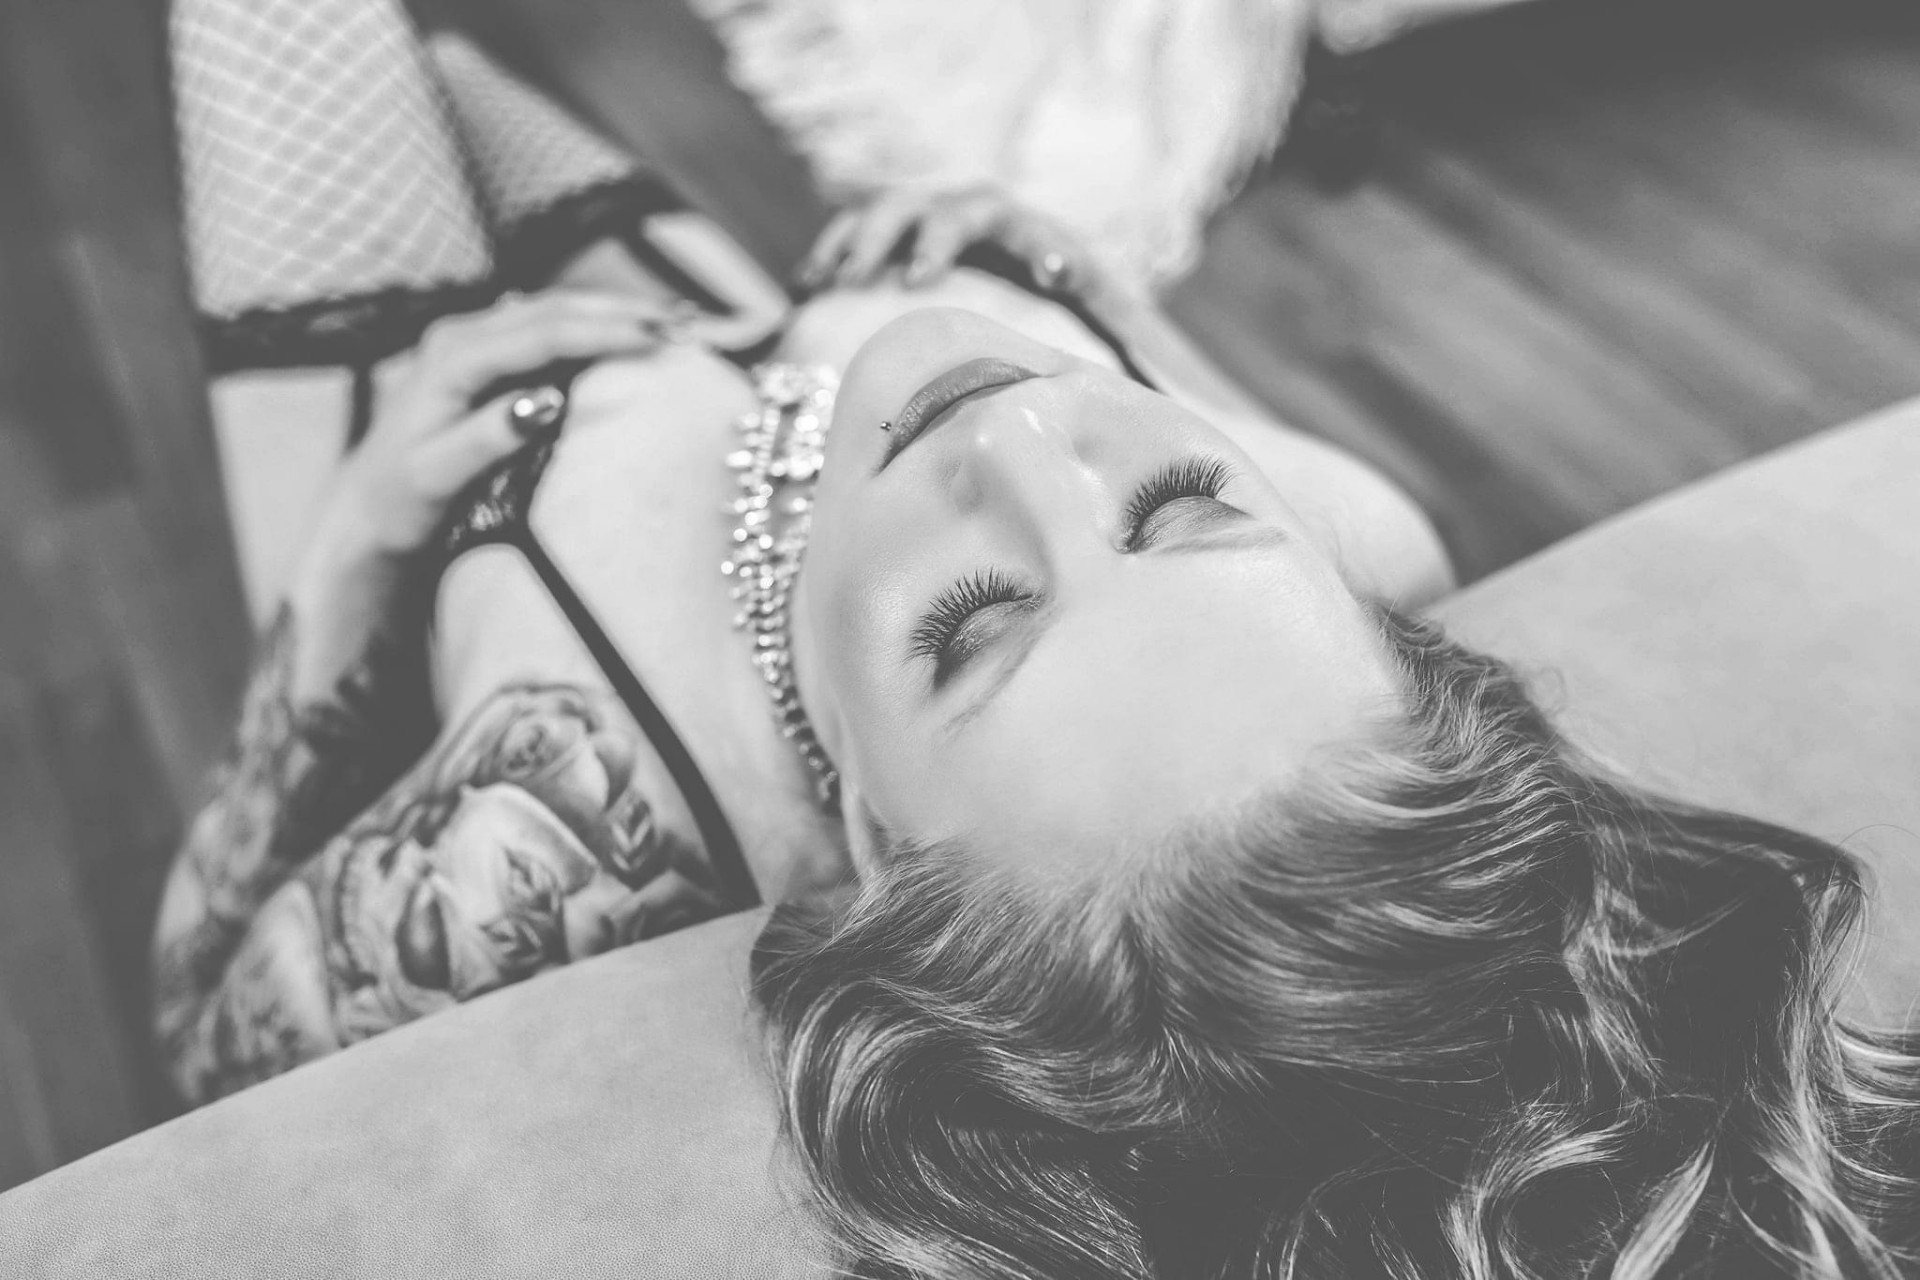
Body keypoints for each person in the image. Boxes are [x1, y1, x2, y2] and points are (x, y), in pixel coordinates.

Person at [150, 159, 1919, 1280]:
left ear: (868, 839)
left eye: (974, 623)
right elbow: (1143, 409)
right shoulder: (1366, 538)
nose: (1021, 433)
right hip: (669, 271)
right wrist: (1079, 301)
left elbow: (194, 1009)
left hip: (402, 381)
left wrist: (352, 550)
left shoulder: (563, 827)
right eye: (1178, 508)